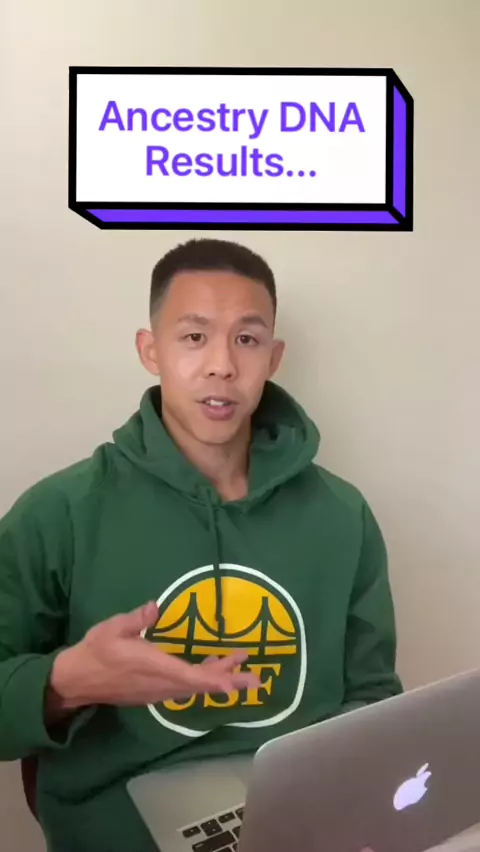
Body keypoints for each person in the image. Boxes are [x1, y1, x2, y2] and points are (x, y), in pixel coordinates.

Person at [0, 238, 402, 851]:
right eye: (194, 336)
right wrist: (65, 682)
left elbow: (372, 698)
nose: (222, 365)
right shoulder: (60, 513)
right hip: (122, 829)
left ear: (274, 356)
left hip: (299, 820)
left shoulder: (342, 515)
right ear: (150, 350)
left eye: (247, 339)